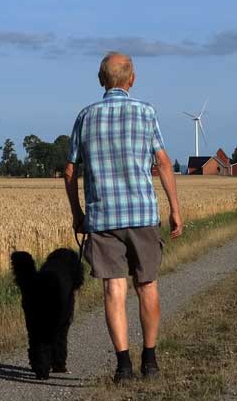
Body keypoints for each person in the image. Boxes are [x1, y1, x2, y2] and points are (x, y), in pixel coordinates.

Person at [65, 51, 183, 382]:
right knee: (147, 285)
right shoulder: (146, 113)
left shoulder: (86, 116)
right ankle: (150, 361)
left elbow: (71, 169)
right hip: (142, 214)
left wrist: (78, 214)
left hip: (103, 218)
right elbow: (162, 162)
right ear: (132, 79)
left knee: (113, 290)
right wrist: (175, 209)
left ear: (102, 80)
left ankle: (123, 366)